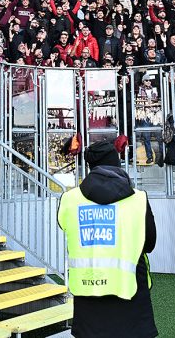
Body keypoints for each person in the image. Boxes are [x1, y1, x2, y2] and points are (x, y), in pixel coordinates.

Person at [57, 140, 158, 338]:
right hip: (129, 291)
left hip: (88, 294)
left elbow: (65, 227)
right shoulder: (138, 198)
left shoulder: (69, 199)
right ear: (116, 163)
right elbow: (150, 244)